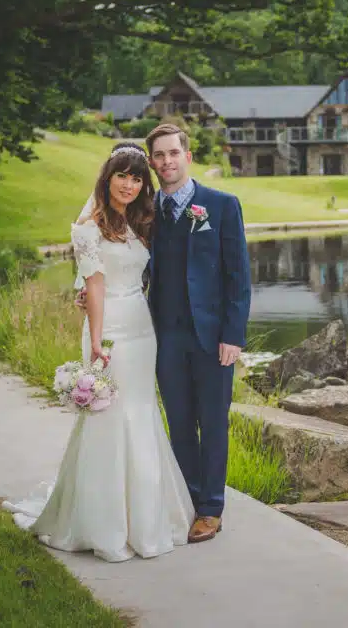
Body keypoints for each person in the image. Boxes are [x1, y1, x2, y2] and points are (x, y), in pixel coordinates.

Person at [2, 142, 194, 562]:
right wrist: (96, 340)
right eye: (121, 175)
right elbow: (94, 285)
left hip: (143, 326)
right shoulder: (88, 228)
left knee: (142, 410)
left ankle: (146, 515)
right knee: (110, 417)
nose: (128, 184)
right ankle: (103, 521)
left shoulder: (141, 222)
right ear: (107, 178)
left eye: (136, 177)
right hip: (110, 330)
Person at [144, 122, 251, 543]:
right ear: (152, 163)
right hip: (165, 336)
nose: (167, 161)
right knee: (180, 423)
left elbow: (238, 277)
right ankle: (186, 500)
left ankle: (210, 508)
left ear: (187, 157)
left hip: (212, 338)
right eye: (159, 155)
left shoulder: (221, 206)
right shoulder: (145, 212)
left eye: (174, 153)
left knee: (213, 422)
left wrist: (234, 335)